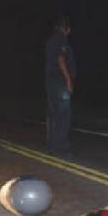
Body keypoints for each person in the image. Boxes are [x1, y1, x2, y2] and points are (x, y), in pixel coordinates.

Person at [44, 14, 77, 155]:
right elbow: (61, 59)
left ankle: (52, 145)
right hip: (60, 83)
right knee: (63, 115)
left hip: (50, 82)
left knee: (53, 115)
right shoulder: (61, 40)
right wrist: (68, 79)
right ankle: (61, 147)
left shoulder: (50, 41)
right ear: (67, 29)